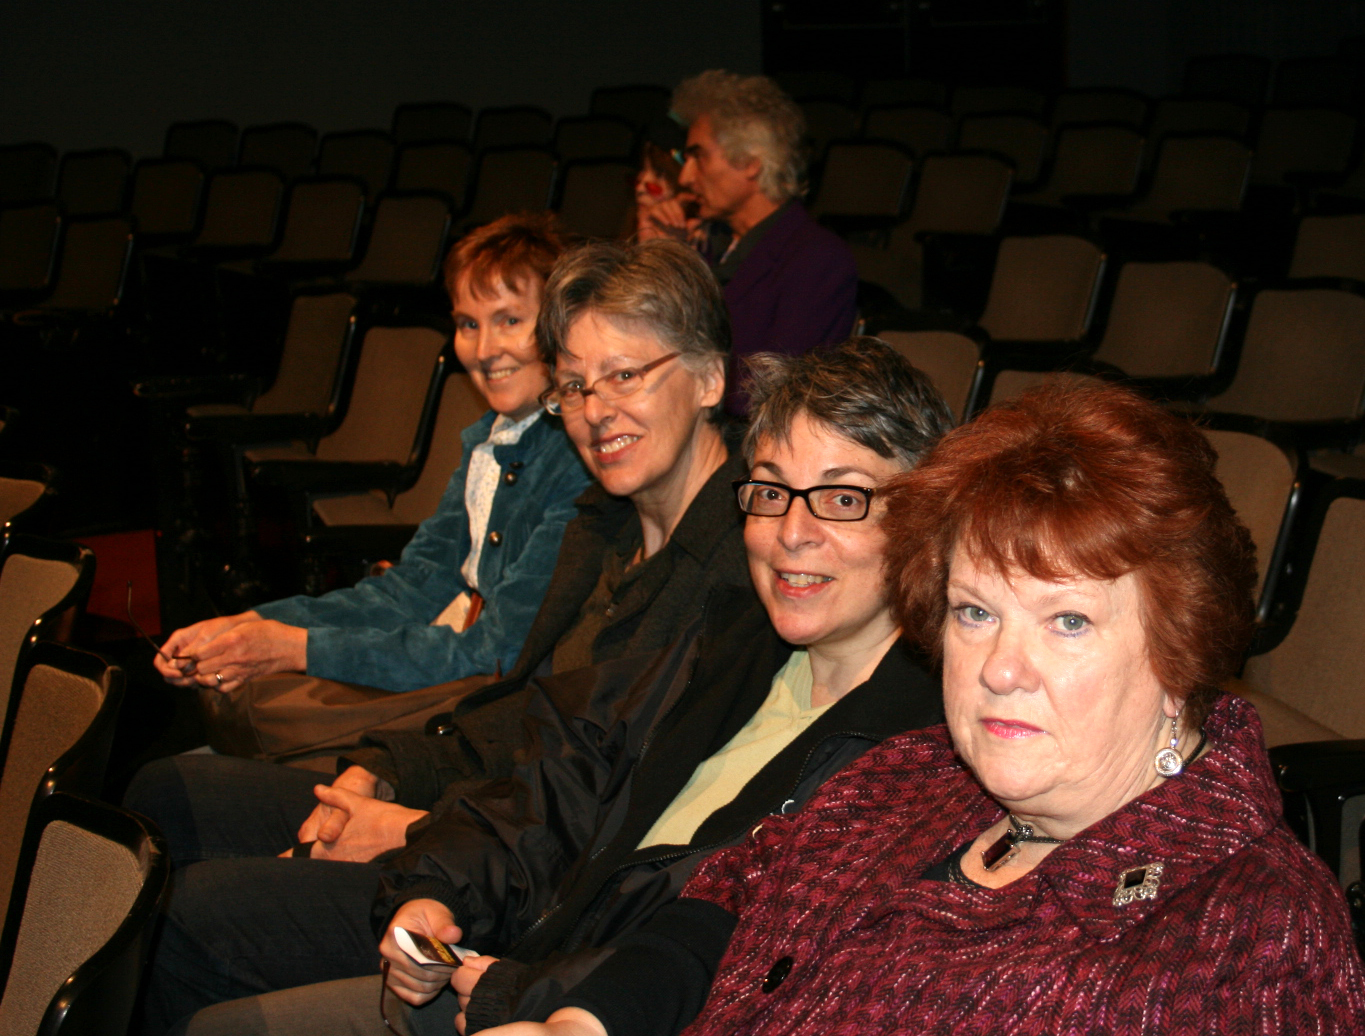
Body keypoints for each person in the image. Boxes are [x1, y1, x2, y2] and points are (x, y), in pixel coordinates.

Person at [488, 381, 1365, 1036]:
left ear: (1180, 648)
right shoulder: (910, 774)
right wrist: (587, 1021)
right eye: (975, 612)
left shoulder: (1251, 936)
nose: (998, 669)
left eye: (1066, 620)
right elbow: (730, 898)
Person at [155, 337, 953, 1036]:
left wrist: (523, 988)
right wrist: (439, 888)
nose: (790, 533)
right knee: (179, 916)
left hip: (576, 1001)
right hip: (520, 947)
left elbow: (738, 955)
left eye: (843, 499)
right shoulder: (734, 639)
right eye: (771, 491)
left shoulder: (918, 744)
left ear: (921, 517)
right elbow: (558, 780)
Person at [129, 237, 760, 1033]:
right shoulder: (602, 525)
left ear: (707, 378)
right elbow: (518, 709)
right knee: (168, 797)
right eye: (573, 384)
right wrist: (381, 774)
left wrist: (415, 833)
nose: (596, 409)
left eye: (625, 374)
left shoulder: (751, 562)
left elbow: (615, 814)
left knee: (187, 918)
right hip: (477, 826)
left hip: (525, 890)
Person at [151, 213, 590, 706]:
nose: (485, 350)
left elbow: (496, 655)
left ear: (560, 326)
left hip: (523, 713)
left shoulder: (577, 463)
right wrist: (254, 625)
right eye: (468, 324)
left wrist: (292, 648)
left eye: (510, 320)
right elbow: (410, 590)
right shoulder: (491, 439)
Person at [637, 70, 857, 414]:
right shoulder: (704, 247)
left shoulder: (816, 259)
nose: (685, 177)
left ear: (750, 162)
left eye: (699, 156)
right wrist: (660, 258)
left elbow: (770, 396)